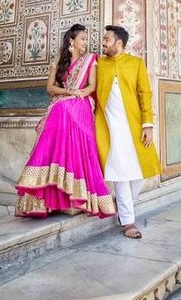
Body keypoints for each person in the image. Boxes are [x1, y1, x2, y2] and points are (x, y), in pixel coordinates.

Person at [15, 24, 115, 220]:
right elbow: (50, 87)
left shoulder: (90, 60)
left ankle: (76, 195)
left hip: (82, 102)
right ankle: (51, 199)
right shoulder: (59, 61)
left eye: (86, 39)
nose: (86, 42)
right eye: (82, 38)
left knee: (63, 109)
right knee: (60, 109)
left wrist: (77, 95)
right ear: (72, 41)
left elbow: (91, 86)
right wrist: (69, 92)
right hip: (64, 101)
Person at [95, 25, 161, 238]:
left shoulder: (135, 63)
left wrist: (148, 125)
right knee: (121, 174)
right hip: (109, 128)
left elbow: (145, 93)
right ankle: (128, 222)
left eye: (107, 39)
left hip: (134, 126)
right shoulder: (99, 64)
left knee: (141, 173)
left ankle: (125, 206)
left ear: (118, 43)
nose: (103, 42)